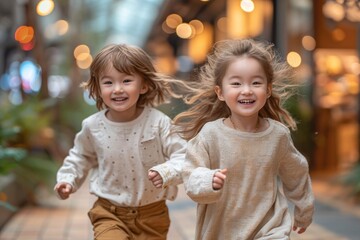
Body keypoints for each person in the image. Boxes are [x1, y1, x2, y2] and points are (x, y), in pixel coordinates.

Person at [173, 38, 315, 239]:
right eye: (236, 83)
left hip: (270, 228)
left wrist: (304, 208)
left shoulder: (278, 135)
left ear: (267, 90)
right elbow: (190, 174)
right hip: (222, 230)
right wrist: (208, 180)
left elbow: (296, 172)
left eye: (256, 82)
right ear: (220, 92)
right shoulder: (210, 134)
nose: (247, 90)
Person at [54, 43, 188, 240]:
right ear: (98, 88)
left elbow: (183, 156)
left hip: (153, 215)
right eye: (108, 83)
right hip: (109, 212)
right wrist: (67, 179)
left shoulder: (159, 123)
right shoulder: (93, 126)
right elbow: (80, 157)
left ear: (144, 85)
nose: (117, 89)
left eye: (126, 81)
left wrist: (167, 172)